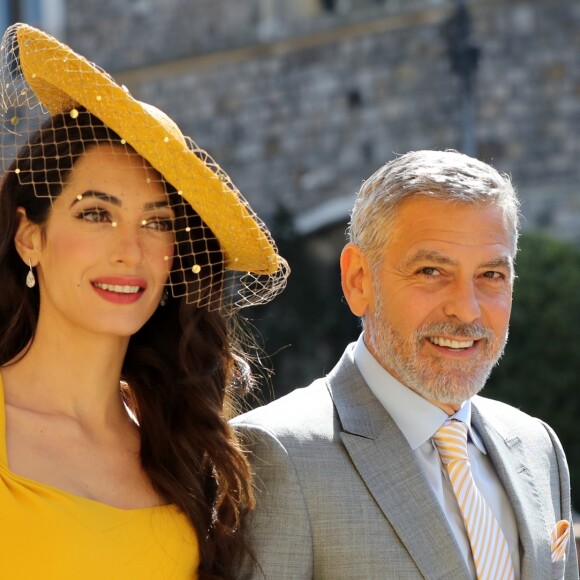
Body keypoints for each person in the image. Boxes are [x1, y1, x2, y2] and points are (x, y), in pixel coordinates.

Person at [0, 23, 288, 579]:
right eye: (95, 214)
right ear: (28, 236)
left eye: (157, 223)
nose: (130, 250)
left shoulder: (185, 438)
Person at [232, 150, 578, 579]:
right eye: (431, 271)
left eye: (491, 276)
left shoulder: (538, 447)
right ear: (359, 279)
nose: (467, 311)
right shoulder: (277, 454)